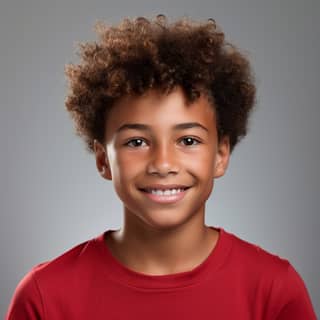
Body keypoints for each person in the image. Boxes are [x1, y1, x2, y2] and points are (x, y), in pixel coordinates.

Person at [6, 15, 316, 319]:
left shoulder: (274, 291)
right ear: (103, 160)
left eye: (189, 141)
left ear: (221, 155)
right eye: (137, 142)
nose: (164, 164)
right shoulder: (45, 297)